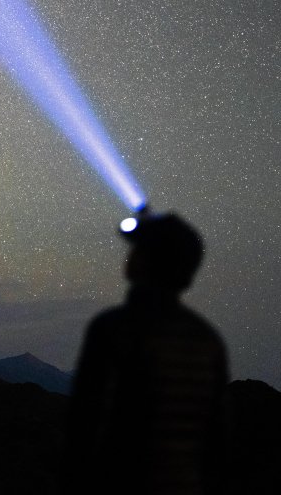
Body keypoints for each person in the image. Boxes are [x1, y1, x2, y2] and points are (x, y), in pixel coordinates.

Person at [62, 212, 229, 495]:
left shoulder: (114, 328)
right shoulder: (207, 339)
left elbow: (85, 423)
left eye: (138, 249)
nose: (130, 255)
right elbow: (218, 437)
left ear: (147, 261)